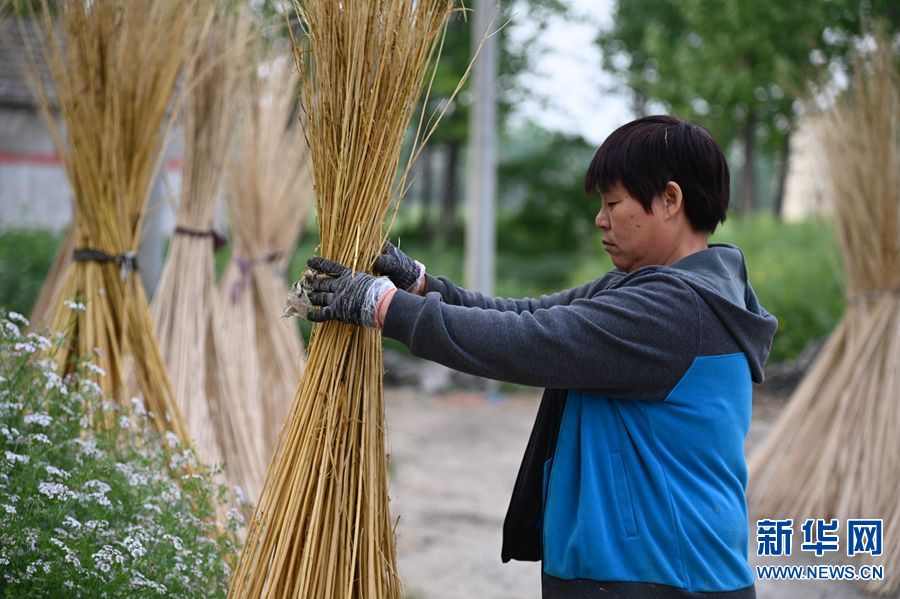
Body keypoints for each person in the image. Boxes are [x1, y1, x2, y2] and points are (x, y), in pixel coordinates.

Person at [301, 115, 778, 598]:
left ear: (670, 200)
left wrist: (384, 307)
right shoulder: (645, 286)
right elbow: (528, 314)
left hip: (663, 579)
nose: (601, 219)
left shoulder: (674, 310)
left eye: (613, 203)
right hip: (630, 572)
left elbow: (529, 342)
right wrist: (421, 287)